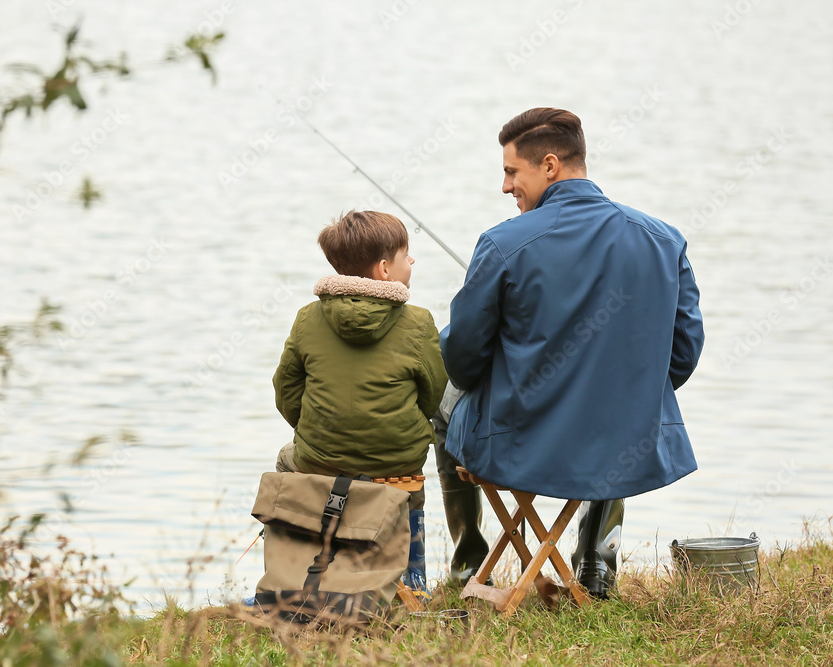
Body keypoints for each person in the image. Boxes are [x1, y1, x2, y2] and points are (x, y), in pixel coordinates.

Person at [438, 108, 705, 598]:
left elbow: (462, 360)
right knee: (625, 404)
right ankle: (597, 565)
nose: (504, 186)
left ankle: (468, 567)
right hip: (627, 443)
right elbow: (684, 352)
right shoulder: (664, 240)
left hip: (520, 446)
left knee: (443, 401)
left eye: (511, 172)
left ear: (550, 165)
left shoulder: (502, 243)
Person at [272, 210, 448, 595]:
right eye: (407, 254)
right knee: (410, 481)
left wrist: (319, 431)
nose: (412, 261)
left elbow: (285, 392)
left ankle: (302, 573)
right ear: (385, 269)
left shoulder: (307, 318)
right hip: (395, 462)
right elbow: (433, 393)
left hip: (321, 461)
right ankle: (412, 580)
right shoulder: (418, 322)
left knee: (288, 458)